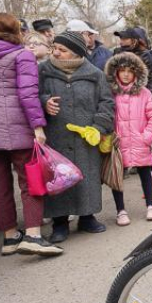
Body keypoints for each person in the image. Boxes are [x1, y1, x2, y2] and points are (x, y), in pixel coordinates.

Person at [0, 13, 63, 256]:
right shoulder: (22, 56)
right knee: (30, 180)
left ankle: (9, 237)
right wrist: (38, 127)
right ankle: (33, 235)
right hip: (19, 128)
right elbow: (27, 95)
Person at [39, 30, 115, 243]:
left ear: (76, 52)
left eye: (62, 50)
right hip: (56, 136)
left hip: (85, 137)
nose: (55, 52)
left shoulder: (95, 74)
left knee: (87, 176)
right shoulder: (43, 71)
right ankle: (60, 223)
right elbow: (31, 96)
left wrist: (98, 127)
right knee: (58, 177)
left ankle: (87, 217)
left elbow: (107, 102)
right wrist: (44, 102)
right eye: (54, 48)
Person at [105, 52, 152, 225]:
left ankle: (150, 205)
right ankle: (120, 210)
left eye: (130, 70)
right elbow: (105, 114)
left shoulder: (144, 93)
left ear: (136, 72)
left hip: (139, 141)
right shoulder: (110, 93)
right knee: (117, 177)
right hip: (118, 143)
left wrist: (146, 137)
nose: (126, 74)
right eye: (122, 70)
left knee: (145, 173)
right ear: (116, 72)